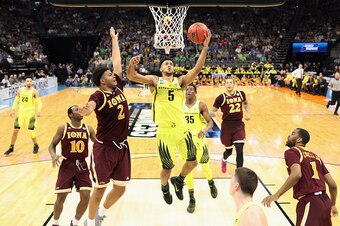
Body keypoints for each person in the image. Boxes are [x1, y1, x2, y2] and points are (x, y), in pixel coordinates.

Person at [127, 31, 211, 204]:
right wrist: (131, 65)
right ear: (161, 69)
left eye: (171, 63)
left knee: (193, 162)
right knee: (167, 168)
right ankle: (165, 188)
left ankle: (179, 181)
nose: (169, 65)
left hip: (182, 129)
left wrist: (205, 47)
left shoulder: (180, 82)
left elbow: (197, 69)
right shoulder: (155, 81)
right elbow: (131, 76)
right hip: (165, 132)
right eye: (166, 63)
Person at [78, 27, 131, 226]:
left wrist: (114, 40)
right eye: (110, 74)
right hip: (105, 149)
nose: (114, 75)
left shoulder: (118, 87)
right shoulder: (98, 95)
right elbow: (91, 105)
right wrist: (87, 110)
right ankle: (90, 222)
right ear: (102, 81)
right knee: (99, 190)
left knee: (120, 188)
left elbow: (117, 62)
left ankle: (100, 213)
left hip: (122, 147)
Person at [262, 128, 338, 226]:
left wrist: (276, 195)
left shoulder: (293, 152)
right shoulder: (316, 157)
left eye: (293, 134)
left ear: (299, 140)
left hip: (311, 202)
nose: (289, 136)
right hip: (325, 202)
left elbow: (296, 174)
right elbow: (333, 185)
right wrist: (333, 204)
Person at [49, 105, 96, 226]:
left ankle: (74, 222)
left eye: (80, 109)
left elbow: (98, 144)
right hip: (67, 165)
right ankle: (55, 222)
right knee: (61, 197)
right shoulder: (63, 128)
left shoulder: (88, 128)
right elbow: (52, 145)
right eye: (76, 110)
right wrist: (54, 156)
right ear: (70, 115)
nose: (80, 110)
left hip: (82, 165)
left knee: (86, 196)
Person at [183, 83, 218, 213]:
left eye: (191, 89)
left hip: (200, 140)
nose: (188, 90)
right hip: (186, 142)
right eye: (187, 89)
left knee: (205, 167)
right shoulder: (179, 106)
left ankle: (211, 183)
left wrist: (204, 130)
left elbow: (211, 123)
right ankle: (191, 198)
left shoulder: (201, 105)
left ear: (195, 92)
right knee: (188, 171)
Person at [210, 78, 250, 173]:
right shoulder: (221, 98)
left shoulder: (241, 94)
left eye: (230, 82)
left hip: (238, 125)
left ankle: (239, 174)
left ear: (234, 84)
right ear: (224, 85)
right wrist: (216, 114)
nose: (229, 84)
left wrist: (248, 112)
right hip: (226, 126)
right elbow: (211, 112)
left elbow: (245, 102)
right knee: (228, 152)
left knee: (239, 151)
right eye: (227, 83)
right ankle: (224, 160)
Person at [4, 76, 42, 156]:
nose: (29, 82)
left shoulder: (34, 91)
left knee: (30, 131)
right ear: (25, 82)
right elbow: (16, 100)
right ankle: (11, 147)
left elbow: (39, 102)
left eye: (30, 81)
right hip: (21, 113)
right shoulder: (20, 90)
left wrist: (38, 111)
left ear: (32, 82)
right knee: (15, 131)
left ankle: (35, 145)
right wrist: (13, 109)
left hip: (30, 113)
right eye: (27, 81)